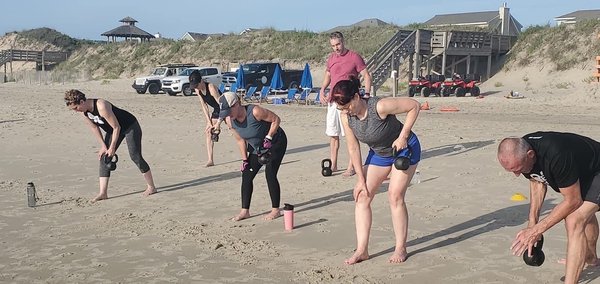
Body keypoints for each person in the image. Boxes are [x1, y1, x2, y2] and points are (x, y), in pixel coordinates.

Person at [331, 77, 421, 265]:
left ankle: (400, 248)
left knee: (394, 195)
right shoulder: (345, 116)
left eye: (347, 106)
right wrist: (360, 180)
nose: (345, 111)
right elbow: (353, 148)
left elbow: (414, 105)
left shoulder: (379, 106)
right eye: (342, 109)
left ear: (356, 97)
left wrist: (403, 136)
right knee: (362, 196)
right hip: (380, 154)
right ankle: (362, 250)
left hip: (403, 150)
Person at [498, 132, 600, 284]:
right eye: (512, 170)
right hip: (584, 171)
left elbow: (573, 201)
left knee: (574, 219)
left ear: (530, 154)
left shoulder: (557, 155)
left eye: (518, 169)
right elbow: (537, 180)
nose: (517, 175)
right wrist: (532, 222)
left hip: (597, 169)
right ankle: (590, 258)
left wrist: (536, 230)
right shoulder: (524, 150)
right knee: (584, 215)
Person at [64, 89, 156, 202]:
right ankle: (103, 193)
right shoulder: (84, 113)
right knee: (104, 157)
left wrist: (112, 147)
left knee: (135, 156)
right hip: (113, 131)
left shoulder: (101, 105)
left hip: (129, 126)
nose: (75, 111)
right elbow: (94, 128)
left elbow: (117, 127)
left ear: (82, 102)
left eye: (75, 108)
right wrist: (103, 146)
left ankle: (151, 187)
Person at [212, 92, 288, 221]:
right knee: (247, 175)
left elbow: (276, 119)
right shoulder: (230, 121)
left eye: (229, 111)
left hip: (276, 142)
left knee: (270, 173)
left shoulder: (255, 111)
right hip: (256, 145)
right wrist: (245, 160)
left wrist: (269, 137)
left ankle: (276, 210)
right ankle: (245, 211)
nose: (228, 115)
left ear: (236, 104)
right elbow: (240, 141)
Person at [319, 31, 372, 177]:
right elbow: (328, 75)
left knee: (350, 134)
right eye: (333, 46)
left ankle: (351, 166)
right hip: (333, 100)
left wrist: (366, 94)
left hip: (349, 102)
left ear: (343, 42)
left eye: (338, 44)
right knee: (333, 133)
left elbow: (366, 75)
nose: (336, 48)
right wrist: (322, 89)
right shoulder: (331, 59)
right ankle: (334, 164)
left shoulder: (354, 57)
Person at [190, 70, 222, 167]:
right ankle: (210, 160)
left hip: (226, 108)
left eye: (196, 85)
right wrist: (209, 122)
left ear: (201, 81)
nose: (195, 87)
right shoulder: (197, 90)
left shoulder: (211, 87)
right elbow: (204, 106)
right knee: (209, 131)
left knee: (235, 130)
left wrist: (219, 123)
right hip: (217, 110)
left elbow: (222, 105)